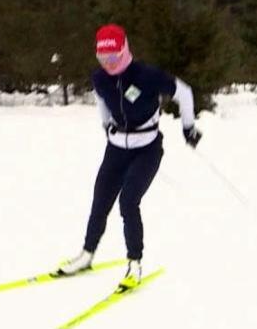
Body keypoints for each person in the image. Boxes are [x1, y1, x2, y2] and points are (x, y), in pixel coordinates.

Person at [56, 24, 202, 289]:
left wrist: (188, 126)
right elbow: (102, 99)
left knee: (128, 202)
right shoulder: (100, 78)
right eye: (103, 59)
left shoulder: (147, 75)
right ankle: (86, 255)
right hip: (116, 148)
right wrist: (106, 124)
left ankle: (134, 264)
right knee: (100, 200)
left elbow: (185, 92)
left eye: (113, 58)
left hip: (147, 149)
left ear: (124, 51)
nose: (108, 64)